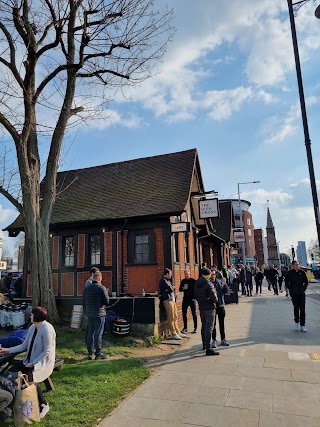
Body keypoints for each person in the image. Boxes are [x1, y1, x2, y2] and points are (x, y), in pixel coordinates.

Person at [0, 307, 56, 419]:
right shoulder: (32, 328)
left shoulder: (47, 329)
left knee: (31, 378)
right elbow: (24, 346)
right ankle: (13, 402)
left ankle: (43, 405)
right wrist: (8, 350)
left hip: (42, 363)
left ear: (36, 317)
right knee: (10, 373)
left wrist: (34, 363)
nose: (30, 316)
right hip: (29, 360)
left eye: (31, 315)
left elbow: (47, 351)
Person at [82, 271, 109, 359]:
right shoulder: (101, 288)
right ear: (100, 278)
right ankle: (98, 354)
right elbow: (106, 301)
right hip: (99, 314)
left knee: (90, 333)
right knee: (98, 334)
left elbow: (83, 302)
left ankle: (90, 353)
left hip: (89, 314)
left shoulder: (86, 288)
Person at [195, 267, 219, 356]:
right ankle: (208, 348)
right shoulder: (209, 284)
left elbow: (196, 295)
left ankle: (204, 344)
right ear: (209, 275)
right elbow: (214, 298)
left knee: (204, 326)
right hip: (210, 307)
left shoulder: (197, 283)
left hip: (201, 307)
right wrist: (213, 299)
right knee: (209, 327)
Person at [159, 268, 185, 340]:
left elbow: (172, 287)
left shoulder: (168, 281)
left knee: (175, 316)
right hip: (167, 300)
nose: (171, 275)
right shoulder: (163, 280)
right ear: (166, 274)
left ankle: (177, 331)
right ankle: (173, 333)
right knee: (171, 317)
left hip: (172, 300)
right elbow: (170, 288)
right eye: (170, 274)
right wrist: (171, 288)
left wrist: (172, 287)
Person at [285, 261, 308, 332]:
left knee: (303, 309)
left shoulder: (302, 272)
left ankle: (303, 325)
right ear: (292, 265)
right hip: (294, 294)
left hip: (301, 293)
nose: (297, 266)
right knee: (296, 308)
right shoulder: (289, 273)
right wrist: (291, 289)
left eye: (298, 264)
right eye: (296, 264)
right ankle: (296, 322)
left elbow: (306, 281)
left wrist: (303, 289)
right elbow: (286, 282)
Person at [210, 269, 229, 348]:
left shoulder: (219, 282)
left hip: (220, 305)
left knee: (222, 323)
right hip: (212, 306)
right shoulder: (209, 283)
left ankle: (223, 339)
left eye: (214, 274)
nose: (212, 276)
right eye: (211, 274)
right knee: (213, 324)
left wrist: (225, 284)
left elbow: (226, 291)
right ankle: (214, 340)